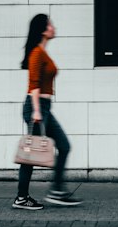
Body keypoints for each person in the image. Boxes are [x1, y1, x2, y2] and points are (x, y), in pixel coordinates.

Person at [13, 13, 81, 210]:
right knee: (30, 154)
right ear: (43, 30)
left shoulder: (42, 52)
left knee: (64, 146)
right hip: (36, 108)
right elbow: (33, 85)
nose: (53, 27)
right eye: (51, 24)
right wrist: (36, 112)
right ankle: (21, 197)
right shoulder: (36, 53)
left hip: (44, 109)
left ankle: (57, 190)